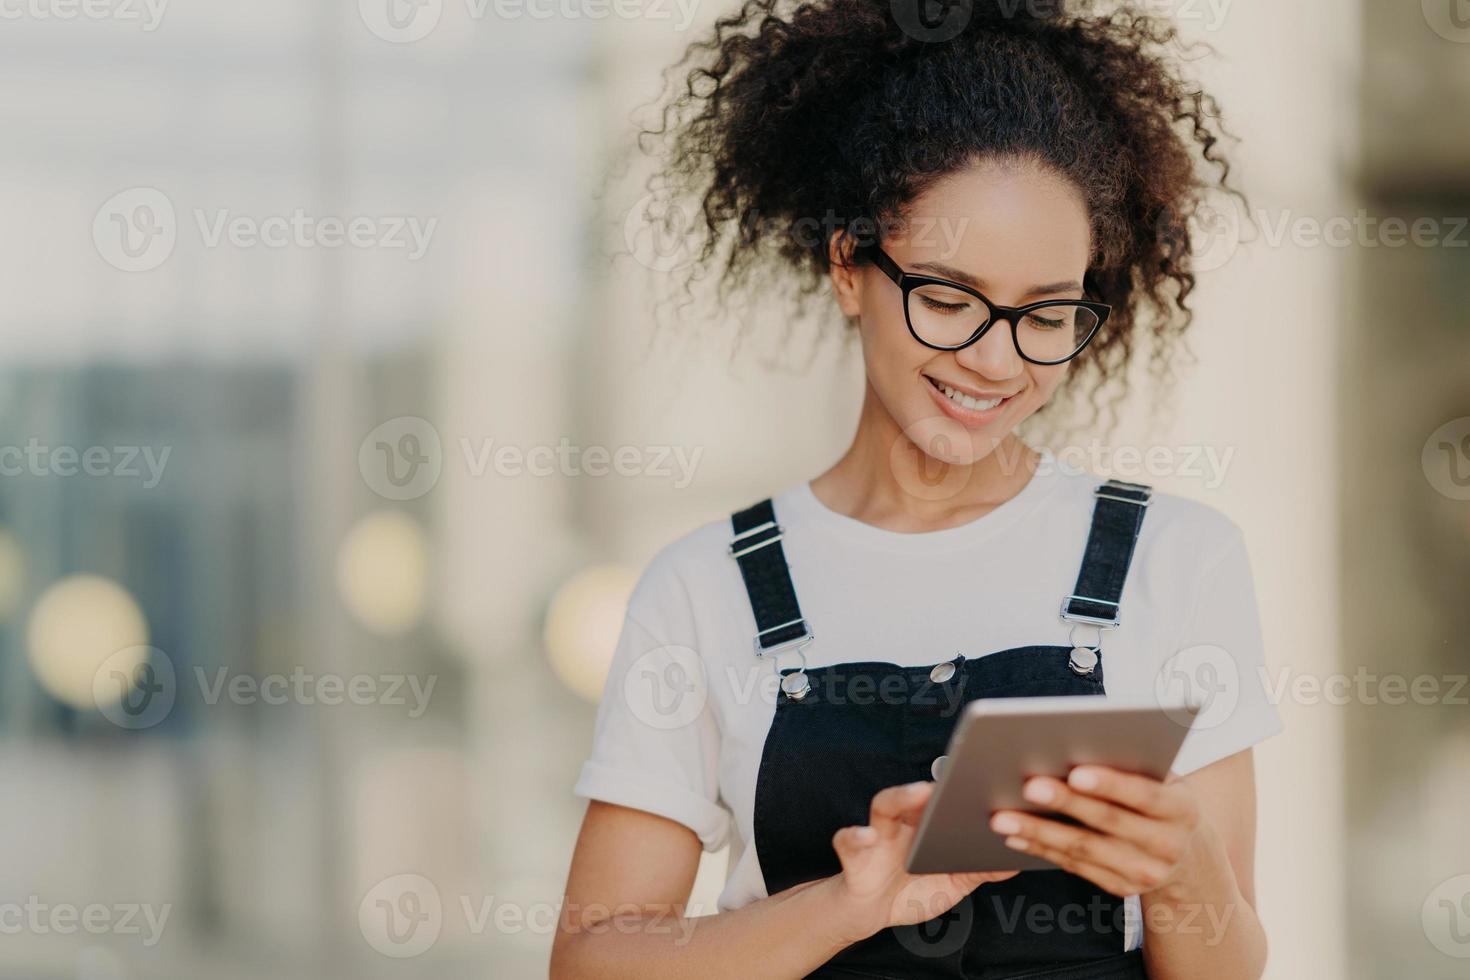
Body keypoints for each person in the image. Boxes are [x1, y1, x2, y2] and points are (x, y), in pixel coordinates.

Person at [552, 2, 1283, 976]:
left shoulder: (1177, 561)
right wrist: (847, 902)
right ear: (849, 266)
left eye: (1046, 314)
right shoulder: (706, 590)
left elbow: (1227, 968)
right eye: (946, 298)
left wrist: (1184, 865)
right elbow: (592, 962)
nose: (992, 359)